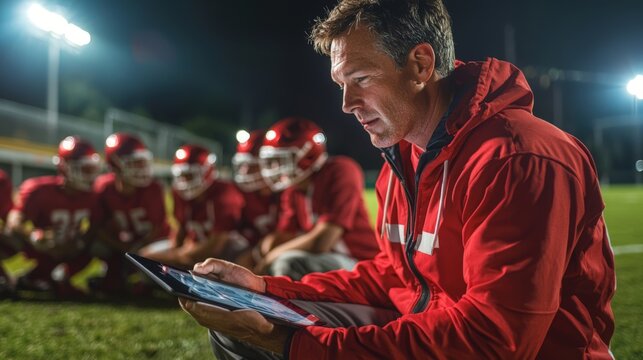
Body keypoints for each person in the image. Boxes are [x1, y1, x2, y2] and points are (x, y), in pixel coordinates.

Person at [180, 1, 615, 359]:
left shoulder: (519, 157)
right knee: (240, 324)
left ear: (420, 64)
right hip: (432, 330)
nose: (347, 103)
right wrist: (264, 289)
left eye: (361, 79)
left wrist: (291, 344)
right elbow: (393, 278)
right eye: (340, 84)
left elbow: (494, 341)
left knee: (272, 340)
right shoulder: (403, 158)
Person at [250, 116, 379, 279]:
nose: (276, 168)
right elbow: (283, 236)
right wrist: (261, 251)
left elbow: (323, 241)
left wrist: (272, 255)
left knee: (287, 263)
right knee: (269, 258)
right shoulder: (293, 189)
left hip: (361, 262)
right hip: (328, 259)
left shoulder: (341, 170)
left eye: (283, 160)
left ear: (308, 155)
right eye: (273, 161)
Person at [5, 136, 100, 296]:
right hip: (41, 246)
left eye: (91, 169)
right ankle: (9, 277)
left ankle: (52, 277)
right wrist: (33, 236)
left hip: (71, 248)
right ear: (65, 167)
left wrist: (80, 242)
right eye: (84, 169)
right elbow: (14, 220)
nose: (89, 175)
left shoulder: (93, 196)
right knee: (9, 236)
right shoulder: (39, 189)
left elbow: (96, 227)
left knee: (96, 244)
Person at [139, 144, 245, 269]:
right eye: (182, 175)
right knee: (143, 256)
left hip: (226, 253)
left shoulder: (225, 193)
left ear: (207, 172)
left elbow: (216, 246)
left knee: (149, 258)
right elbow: (180, 229)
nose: (185, 181)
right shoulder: (178, 193)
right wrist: (177, 250)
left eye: (190, 175)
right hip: (192, 247)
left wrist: (177, 256)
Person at [91, 132, 170, 293]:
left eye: (142, 162)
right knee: (94, 246)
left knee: (153, 275)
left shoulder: (153, 188)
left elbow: (157, 227)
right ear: (115, 165)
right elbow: (97, 227)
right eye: (134, 163)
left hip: (152, 244)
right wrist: (123, 247)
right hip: (123, 244)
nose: (141, 169)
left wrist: (136, 249)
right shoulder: (103, 187)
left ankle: (138, 277)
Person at [230, 129, 282, 270]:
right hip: (257, 248)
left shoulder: (288, 193)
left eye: (252, 164)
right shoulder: (247, 194)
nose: (245, 172)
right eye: (243, 165)